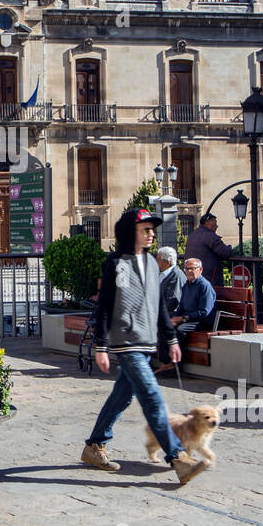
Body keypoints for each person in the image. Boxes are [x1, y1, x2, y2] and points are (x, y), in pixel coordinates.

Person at [81, 208, 203, 486]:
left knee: (121, 397)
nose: (150, 235)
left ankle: (94, 445)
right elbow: (104, 306)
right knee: (152, 398)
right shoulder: (115, 264)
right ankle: (179, 458)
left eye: (152, 230)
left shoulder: (150, 262)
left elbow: (159, 305)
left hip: (146, 342)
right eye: (144, 230)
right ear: (130, 232)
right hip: (126, 343)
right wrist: (100, 344)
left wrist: (170, 338)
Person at [153, 245, 185, 369]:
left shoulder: (176, 275)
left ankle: (167, 363)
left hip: (171, 313)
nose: (156, 262)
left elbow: (172, 301)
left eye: (158, 260)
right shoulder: (162, 274)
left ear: (167, 262)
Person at [184, 213, 233, 288]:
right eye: (215, 223)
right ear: (207, 223)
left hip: (192, 278)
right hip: (210, 280)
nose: (217, 226)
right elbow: (225, 252)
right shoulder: (210, 236)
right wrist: (230, 248)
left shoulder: (192, 234)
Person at [175, 257, 218, 334]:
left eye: (193, 268)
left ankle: (179, 346)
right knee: (166, 325)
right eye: (187, 269)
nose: (189, 271)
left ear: (200, 270)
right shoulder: (186, 285)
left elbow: (204, 312)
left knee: (180, 330)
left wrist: (183, 318)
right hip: (188, 319)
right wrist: (174, 318)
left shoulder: (204, 285)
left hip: (201, 322)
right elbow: (181, 306)